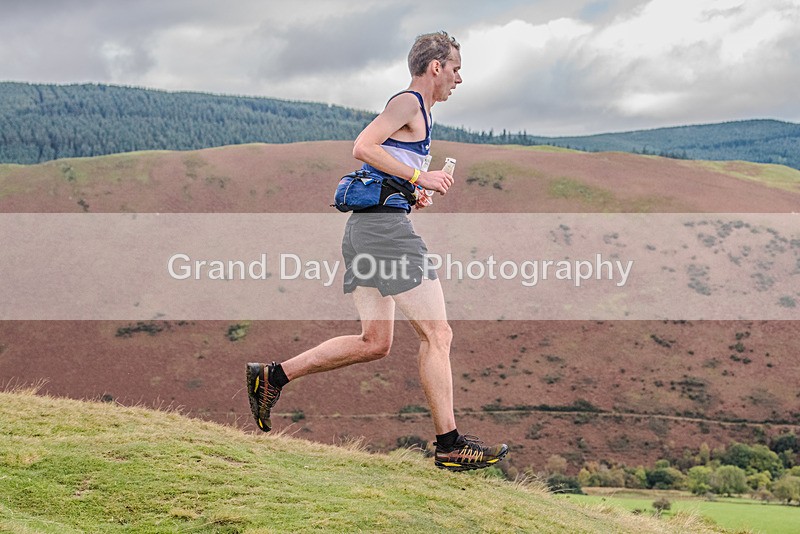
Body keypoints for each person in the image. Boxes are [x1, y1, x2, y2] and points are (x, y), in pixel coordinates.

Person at [247, 31, 508, 472]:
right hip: (384, 233)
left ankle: (272, 376)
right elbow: (362, 146)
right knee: (438, 334)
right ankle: (449, 445)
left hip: (366, 230)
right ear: (436, 67)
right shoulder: (408, 102)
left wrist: (409, 190)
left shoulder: (422, 114)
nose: (459, 79)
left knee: (375, 342)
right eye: (456, 69)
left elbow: (384, 165)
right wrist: (420, 178)